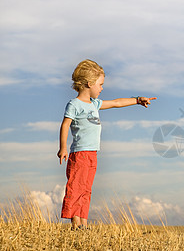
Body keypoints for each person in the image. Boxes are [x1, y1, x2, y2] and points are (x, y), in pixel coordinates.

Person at [57, 59, 156, 230]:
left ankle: (84, 224)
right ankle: (75, 223)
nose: (102, 88)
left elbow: (117, 102)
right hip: (79, 154)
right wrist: (63, 147)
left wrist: (137, 100)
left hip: (92, 154)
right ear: (89, 84)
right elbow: (65, 124)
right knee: (76, 187)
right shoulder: (75, 104)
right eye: (100, 84)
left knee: (87, 189)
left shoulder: (94, 104)